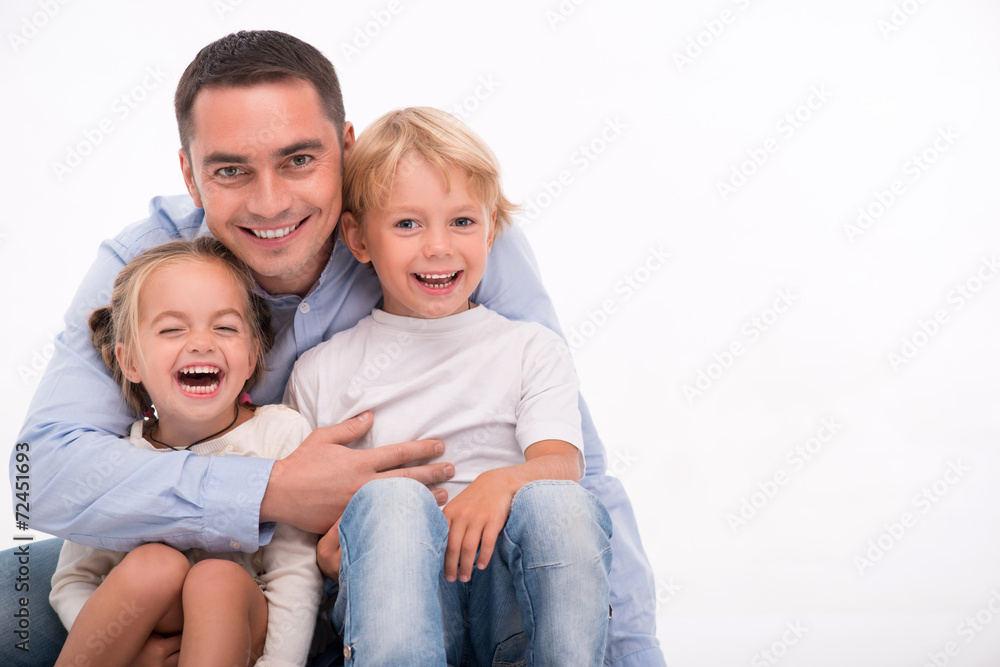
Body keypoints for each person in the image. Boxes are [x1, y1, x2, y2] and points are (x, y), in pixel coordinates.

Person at [5, 30, 664, 667]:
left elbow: (581, 473)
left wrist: (633, 655)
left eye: (299, 159)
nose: (270, 202)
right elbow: (41, 475)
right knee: (14, 610)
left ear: (345, 149)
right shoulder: (146, 262)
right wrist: (270, 490)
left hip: (399, 580)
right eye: (231, 170)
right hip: (203, 560)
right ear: (190, 172)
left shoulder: (446, 229)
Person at [283, 106, 613, 665]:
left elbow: (563, 465)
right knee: (392, 501)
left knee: (557, 504)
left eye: (461, 222)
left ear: (491, 231)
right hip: (391, 600)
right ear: (359, 238)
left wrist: (501, 483)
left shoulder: (530, 349)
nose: (438, 246)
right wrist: (327, 556)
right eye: (408, 224)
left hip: (508, 599)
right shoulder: (321, 370)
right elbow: (296, 517)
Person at [50, 237, 323, 666]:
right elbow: (74, 580)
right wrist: (136, 653)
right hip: (147, 630)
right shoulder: (122, 458)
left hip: (244, 633)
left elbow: (294, 574)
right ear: (130, 362)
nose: (201, 343)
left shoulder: (280, 434)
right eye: (172, 329)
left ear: (252, 355)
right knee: (154, 564)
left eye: (225, 327)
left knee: (216, 577)